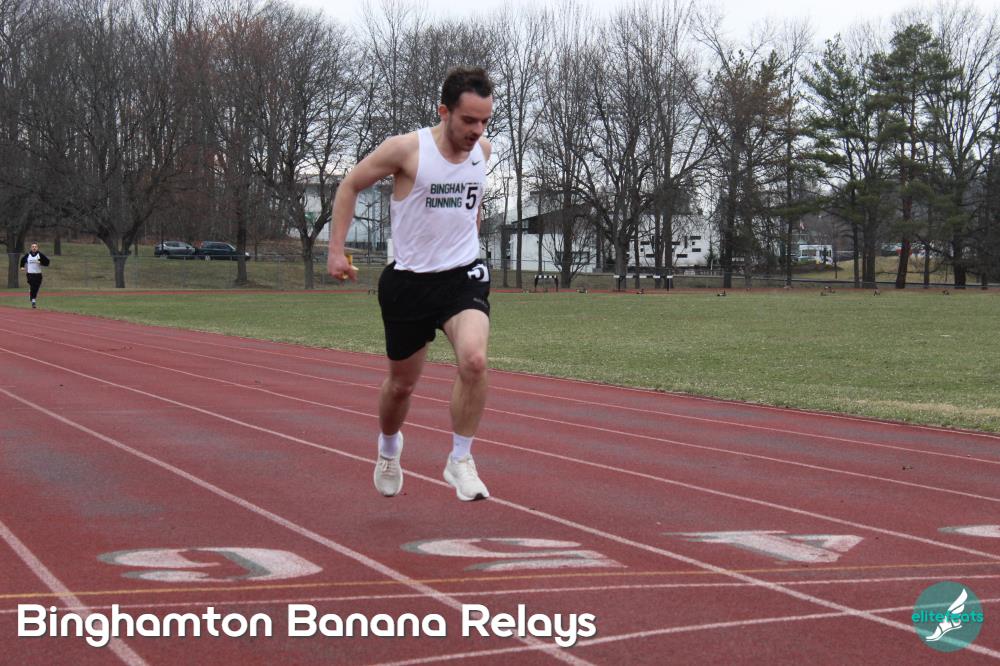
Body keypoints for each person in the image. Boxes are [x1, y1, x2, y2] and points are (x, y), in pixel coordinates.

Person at [327, 66, 493, 501]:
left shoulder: (483, 151)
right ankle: (388, 448)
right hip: (409, 283)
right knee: (401, 386)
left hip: (462, 276)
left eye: (484, 121)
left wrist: (468, 235)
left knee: (474, 360)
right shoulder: (405, 150)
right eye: (469, 120)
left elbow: (470, 206)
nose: (477, 131)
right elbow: (350, 185)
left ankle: (460, 459)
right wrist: (336, 251)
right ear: (444, 112)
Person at [19, 243, 51, 309]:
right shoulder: (28, 255)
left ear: (37, 248)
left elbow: (47, 262)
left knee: (36, 287)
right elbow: (22, 260)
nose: (34, 248)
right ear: (31, 248)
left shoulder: (40, 255)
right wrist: (22, 267)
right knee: (33, 285)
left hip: (38, 274)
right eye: (33, 246)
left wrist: (41, 262)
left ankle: (32, 296)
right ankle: (33, 300)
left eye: (35, 247)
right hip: (30, 274)